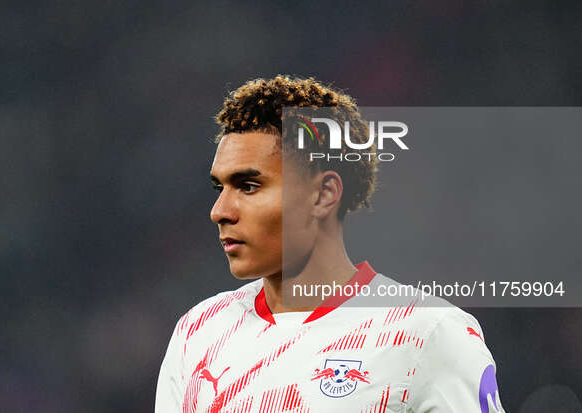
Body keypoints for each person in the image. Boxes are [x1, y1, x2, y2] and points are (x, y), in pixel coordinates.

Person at [155, 76, 506, 413]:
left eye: (248, 186)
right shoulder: (198, 332)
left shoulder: (427, 333)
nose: (220, 212)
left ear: (323, 195)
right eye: (220, 188)